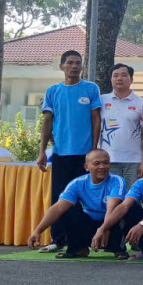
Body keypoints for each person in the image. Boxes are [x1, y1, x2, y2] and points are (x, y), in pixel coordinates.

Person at [36, 50, 103, 253]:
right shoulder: (53, 91)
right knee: (59, 197)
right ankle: (57, 239)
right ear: (62, 66)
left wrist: (93, 150)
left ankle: (82, 241)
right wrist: (42, 152)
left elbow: (96, 119)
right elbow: (47, 121)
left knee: (83, 198)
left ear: (82, 66)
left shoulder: (91, 88)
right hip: (60, 153)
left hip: (84, 155)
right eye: (70, 63)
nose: (74, 66)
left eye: (78, 63)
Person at [27, 149, 125, 259]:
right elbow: (57, 208)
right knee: (66, 210)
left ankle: (119, 249)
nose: (102, 167)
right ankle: (78, 248)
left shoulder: (117, 180)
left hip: (110, 223)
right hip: (89, 223)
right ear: (86, 167)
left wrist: (103, 229)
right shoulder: (77, 183)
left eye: (105, 163)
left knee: (126, 209)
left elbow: (111, 209)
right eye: (97, 163)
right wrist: (38, 231)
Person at [99, 63, 143, 188]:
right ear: (111, 79)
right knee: (110, 196)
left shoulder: (141, 103)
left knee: (132, 197)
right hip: (107, 160)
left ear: (131, 79)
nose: (119, 78)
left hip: (134, 161)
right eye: (115, 75)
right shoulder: (101, 101)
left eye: (123, 75)